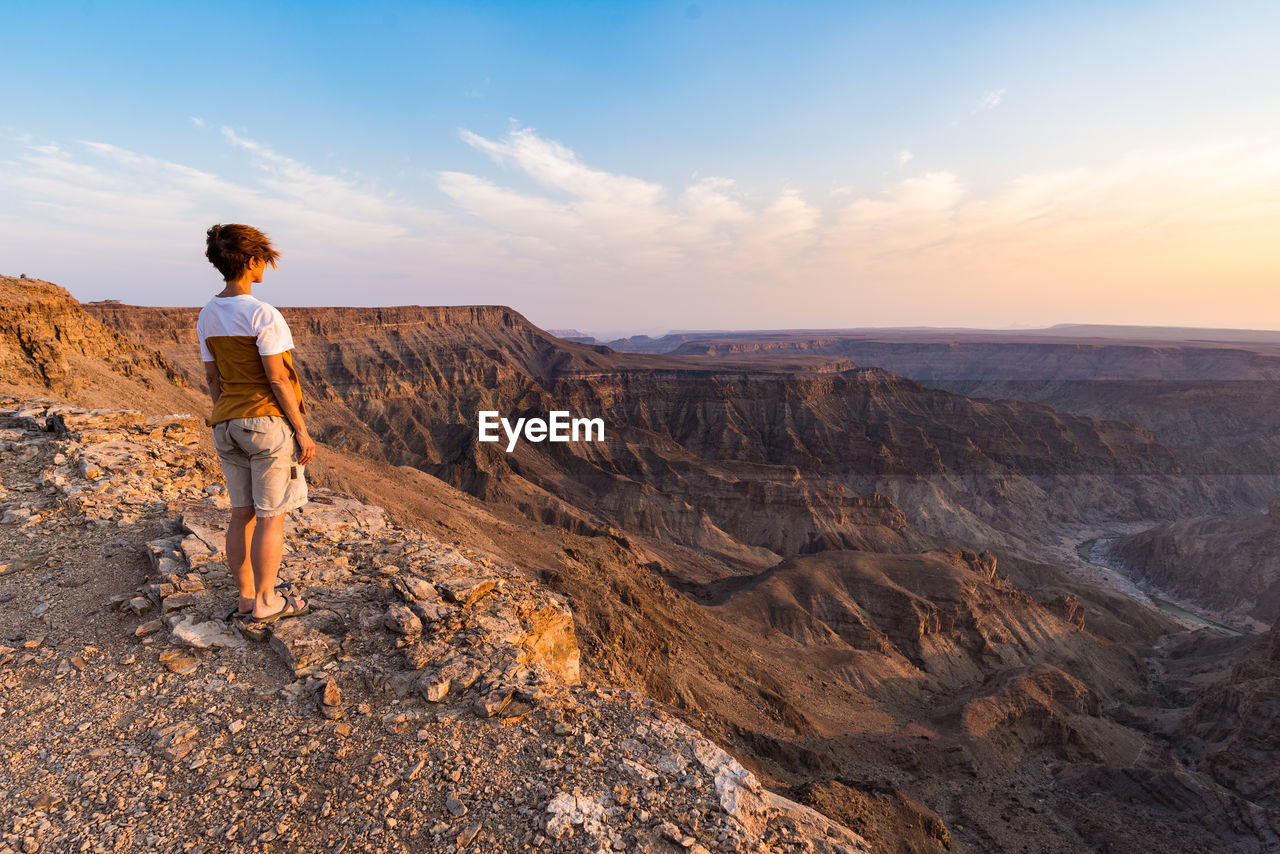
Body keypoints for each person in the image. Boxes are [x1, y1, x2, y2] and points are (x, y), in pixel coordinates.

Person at [197, 223, 315, 623]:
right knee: (270, 517)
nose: (266, 265)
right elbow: (278, 378)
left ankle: (246, 597)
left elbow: (213, 379)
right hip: (265, 424)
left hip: (226, 422)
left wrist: (225, 414)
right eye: (264, 259)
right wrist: (300, 430)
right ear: (251, 261)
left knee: (240, 513)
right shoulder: (263, 313)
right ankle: (268, 601)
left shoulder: (207, 314)